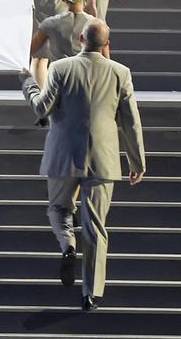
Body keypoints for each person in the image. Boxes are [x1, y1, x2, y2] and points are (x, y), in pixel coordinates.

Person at [18, 19, 146, 311]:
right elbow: (131, 120)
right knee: (95, 226)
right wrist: (137, 160)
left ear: (80, 39)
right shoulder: (120, 73)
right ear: (107, 44)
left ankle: (67, 245)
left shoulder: (61, 68)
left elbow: (42, 108)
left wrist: (27, 81)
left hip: (63, 155)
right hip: (103, 159)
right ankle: (92, 294)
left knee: (58, 208)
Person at [28, 0, 98, 65]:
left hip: (58, 73)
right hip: (87, 73)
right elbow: (106, 62)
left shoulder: (50, 24)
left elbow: (29, 51)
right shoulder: (97, 25)